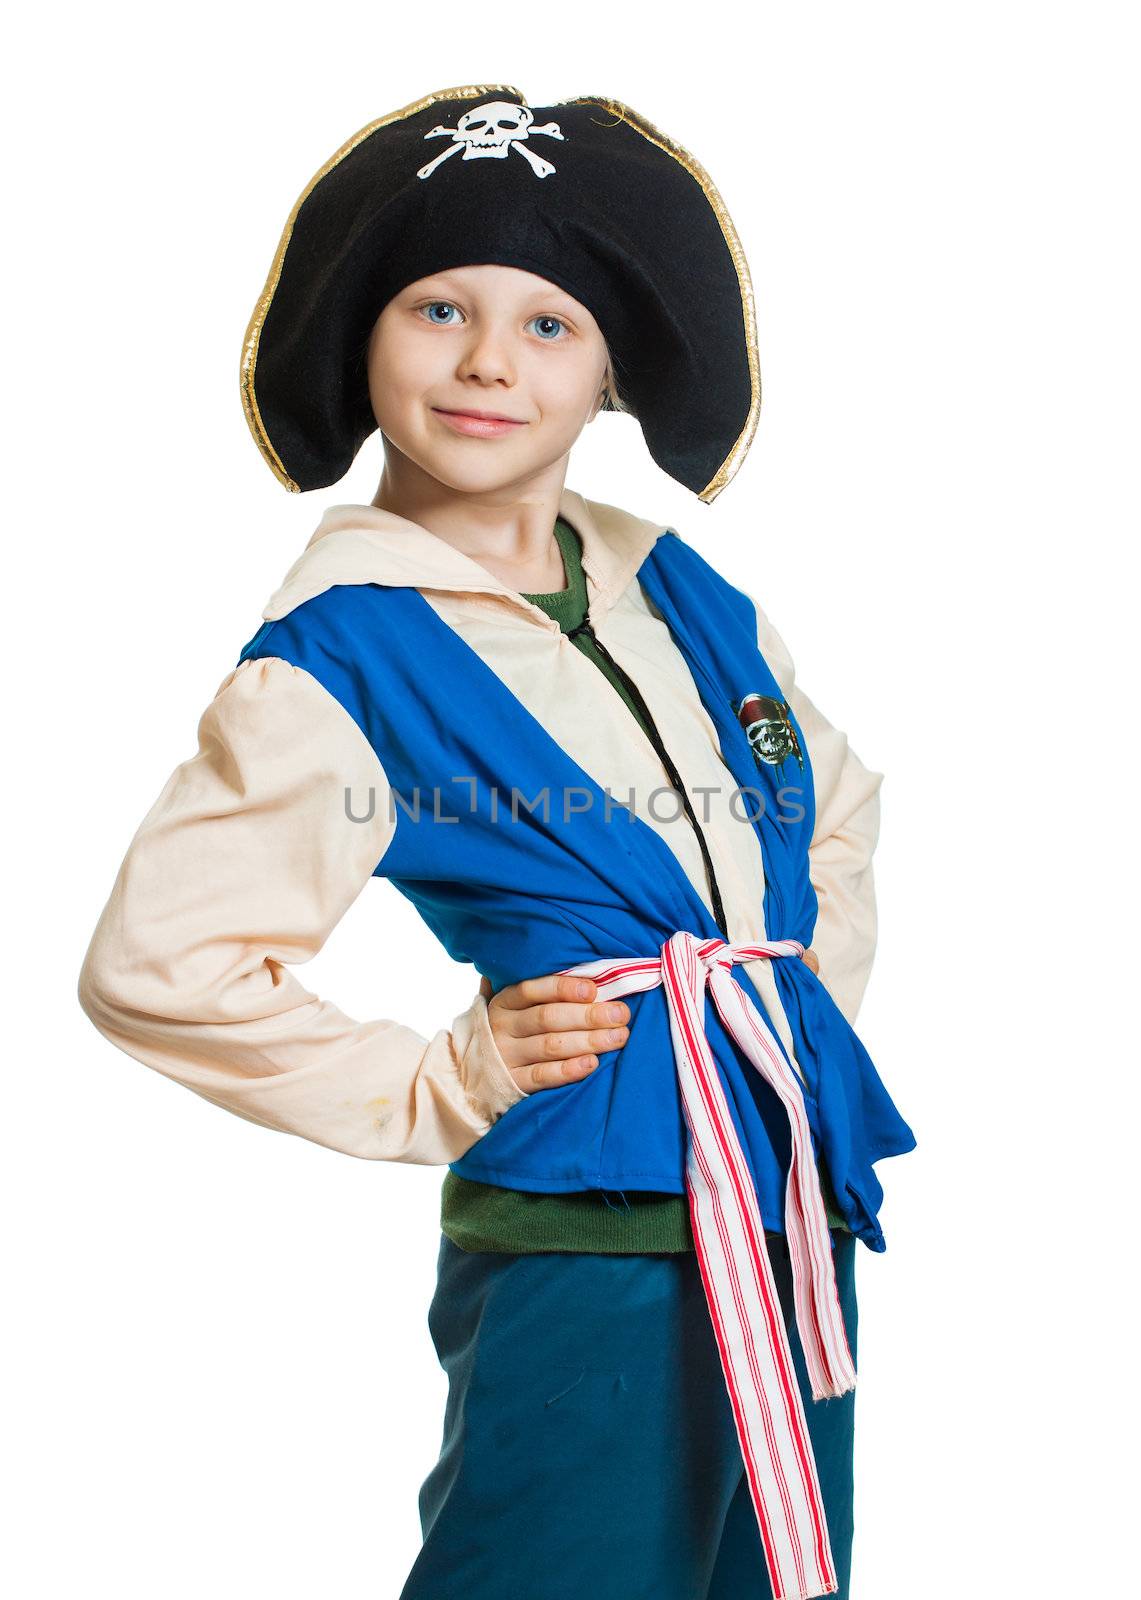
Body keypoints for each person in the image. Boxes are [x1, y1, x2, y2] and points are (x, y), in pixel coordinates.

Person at [77, 86, 917, 1600]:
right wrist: (441, 1081)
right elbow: (163, 966)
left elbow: (832, 805)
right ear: (365, 341)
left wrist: (771, 1009)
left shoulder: (682, 591)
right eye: (438, 309)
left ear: (607, 373)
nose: (485, 363)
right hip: (582, 1231)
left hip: (789, 1198)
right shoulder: (333, 662)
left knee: (763, 1575)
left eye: (548, 326)